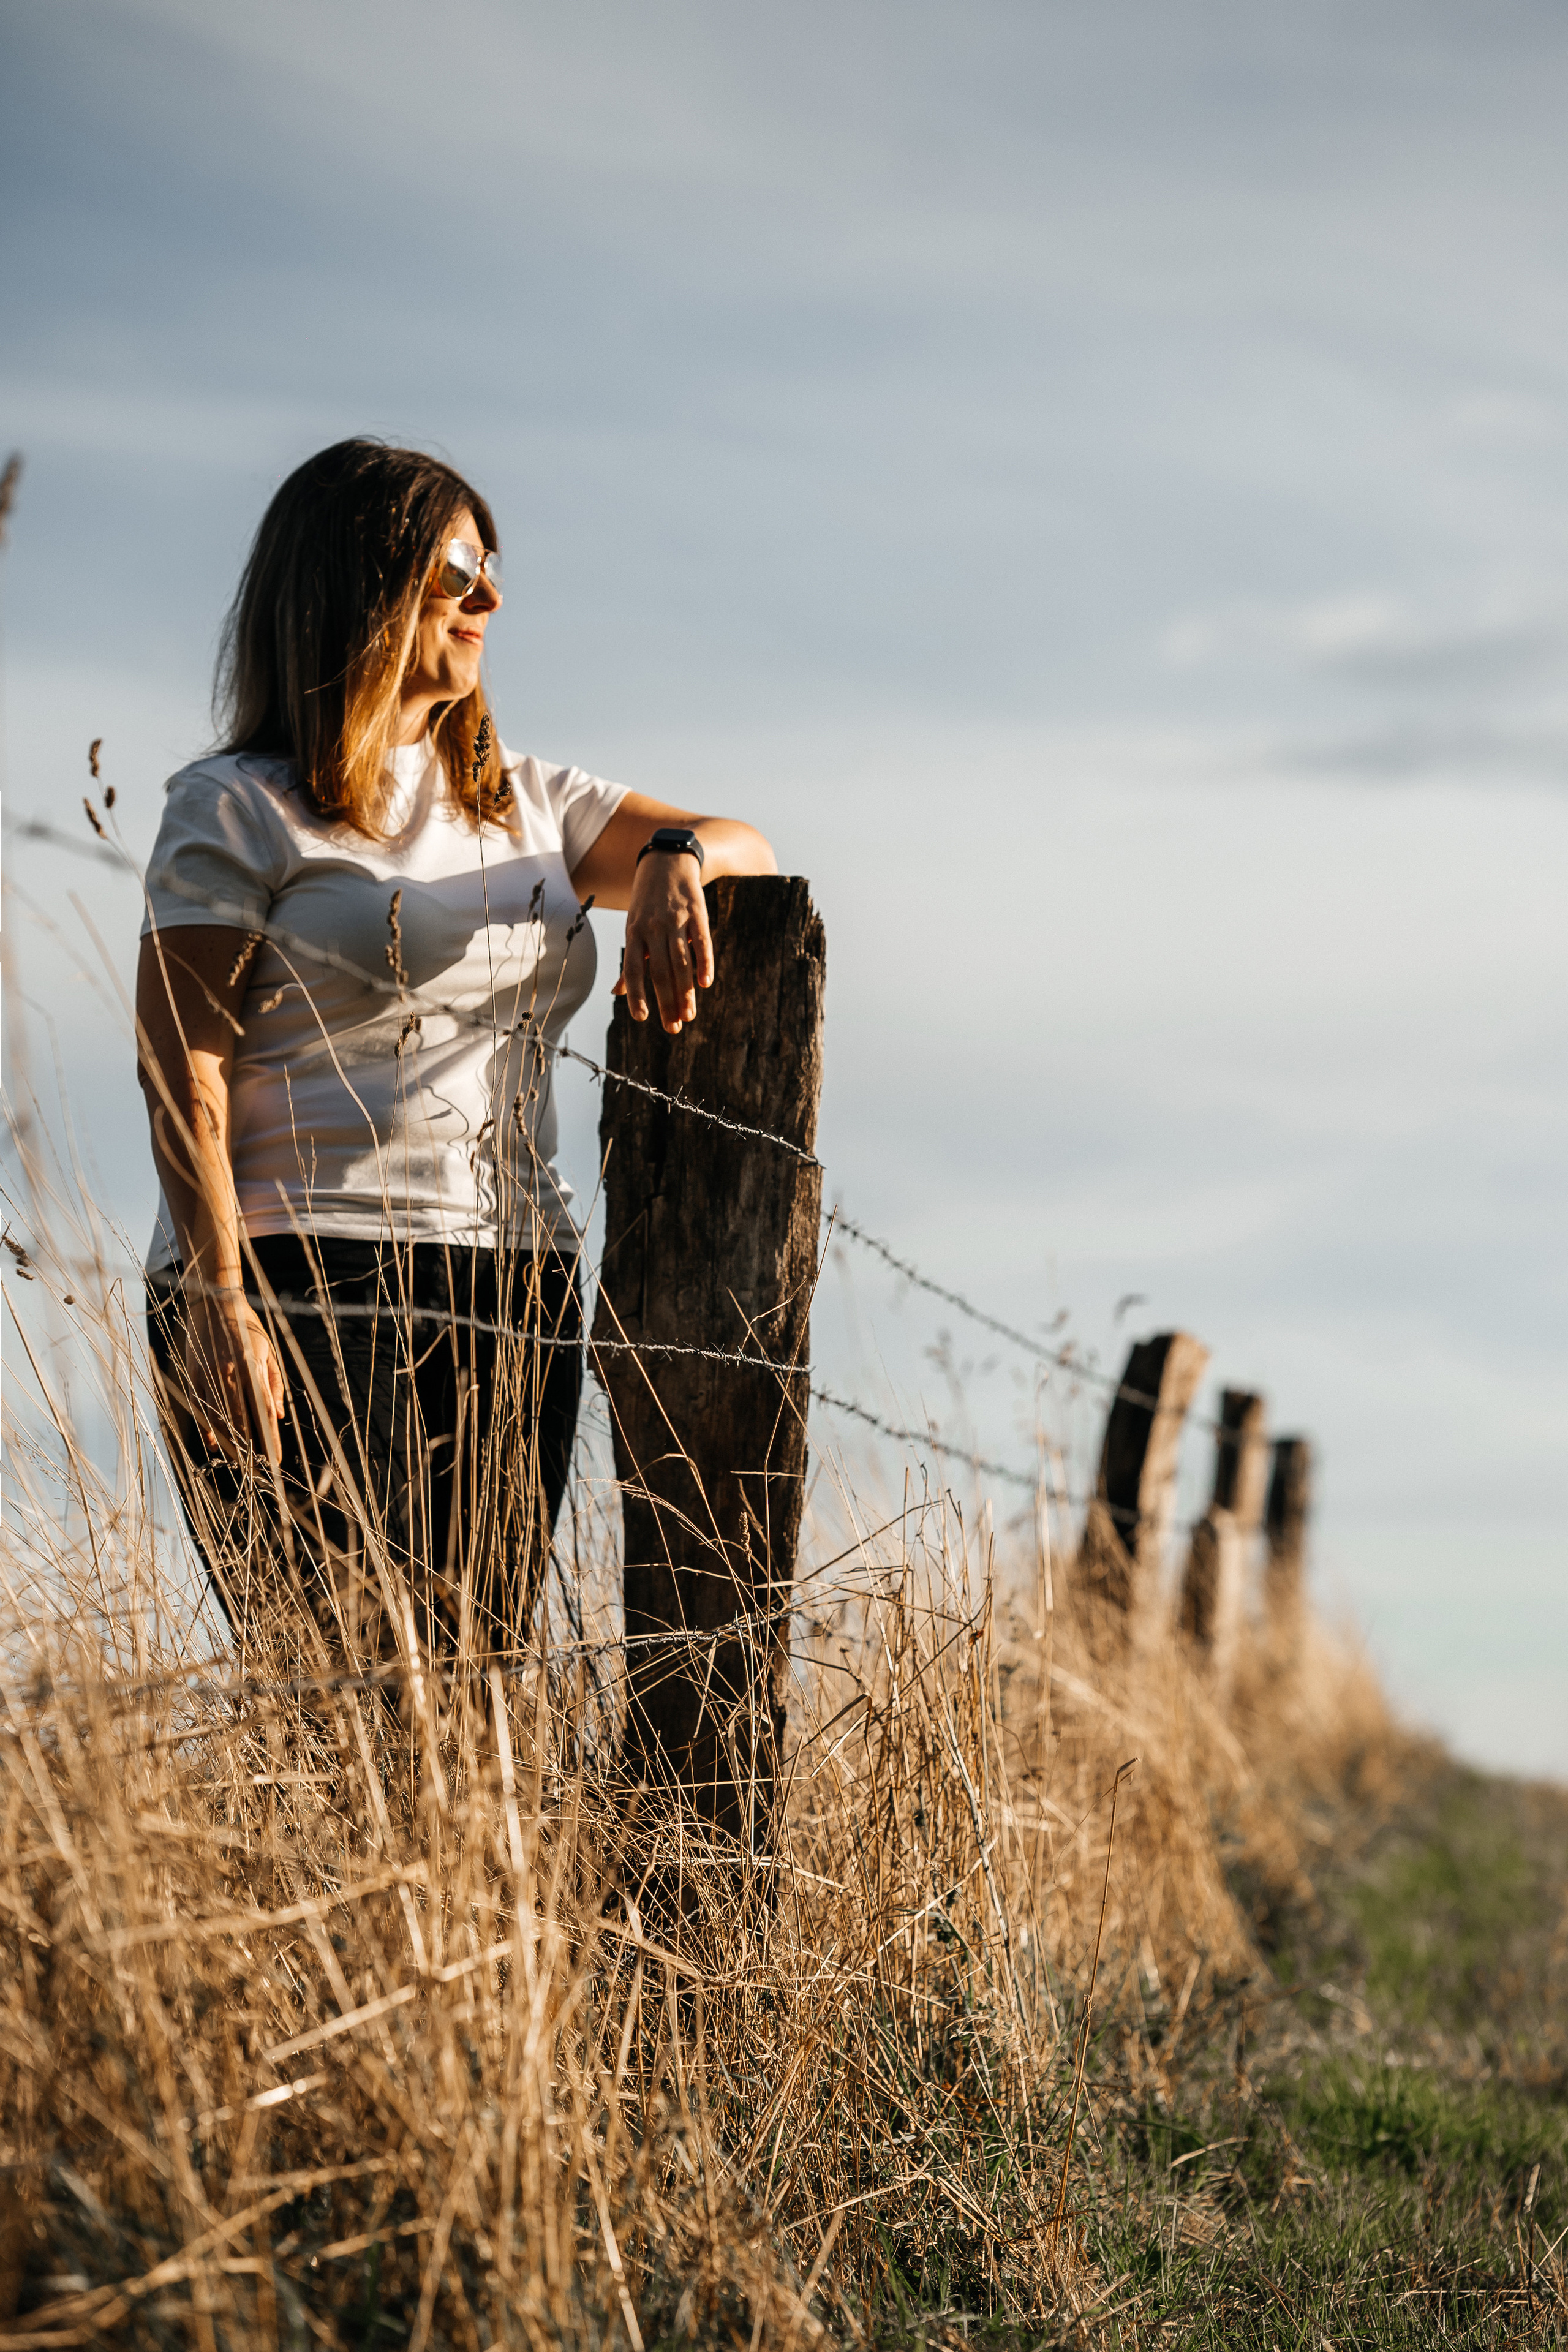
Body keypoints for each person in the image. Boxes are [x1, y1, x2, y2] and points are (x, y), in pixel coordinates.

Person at [138, 437, 776, 1673]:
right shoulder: (236, 805)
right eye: (456, 570)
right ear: (356, 585)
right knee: (347, 1693)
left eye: (491, 569)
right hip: (295, 1275)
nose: (491, 600)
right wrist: (219, 1298)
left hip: (508, 1284)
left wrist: (670, 856)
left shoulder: (526, 803)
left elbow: (744, 840)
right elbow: (184, 1069)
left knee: (471, 1689)